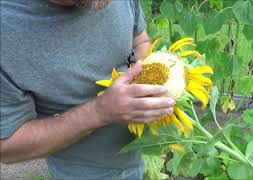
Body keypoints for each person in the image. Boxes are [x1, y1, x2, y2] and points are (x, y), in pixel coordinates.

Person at [0, 0, 175, 179]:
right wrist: (99, 112)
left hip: (133, 160)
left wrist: (153, 80)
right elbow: (7, 147)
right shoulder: (7, 28)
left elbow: (140, 41)